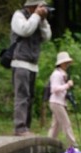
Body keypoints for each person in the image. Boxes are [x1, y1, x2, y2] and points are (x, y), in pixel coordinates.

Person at [11, 0, 52, 136]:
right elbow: (25, 30)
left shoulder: (37, 19)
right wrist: (35, 16)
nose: (42, 10)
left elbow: (47, 36)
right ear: (32, 7)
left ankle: (26, 127)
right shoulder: (18, 16)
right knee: (22, 96)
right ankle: (20, 127)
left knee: (30, 98)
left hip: (33, 64)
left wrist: (43, 20)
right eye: (40, 7)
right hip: (20, 62)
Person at [47, 51, 77, 146]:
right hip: (56, 102)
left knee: (56, 125)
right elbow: (54, 89)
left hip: (59, 102)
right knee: (66, 123)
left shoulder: (62, 74)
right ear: (61, 63)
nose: (67, 65)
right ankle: (72, 144)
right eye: (66, 63)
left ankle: (48, 143)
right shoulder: (57, 74)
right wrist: (67, 85)